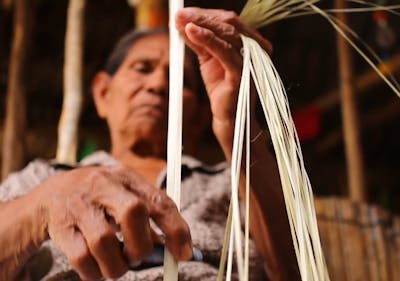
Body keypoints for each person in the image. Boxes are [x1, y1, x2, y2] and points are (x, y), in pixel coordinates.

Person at [0, 7, 300, 281]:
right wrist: (42, 206)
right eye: (143, 68)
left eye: (179, 80)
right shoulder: (41, 179)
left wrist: (238, 124)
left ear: (197, 115)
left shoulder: (234, 184)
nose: (158, 85)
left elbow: (295, 270)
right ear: (103, 93)